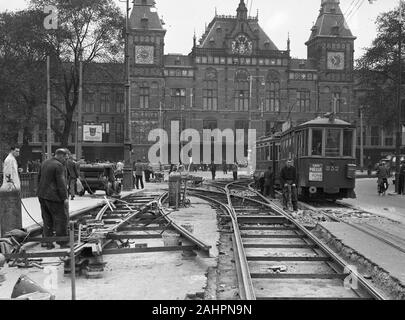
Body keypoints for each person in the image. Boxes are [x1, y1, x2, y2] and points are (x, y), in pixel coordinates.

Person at [37, 149, 69, 249]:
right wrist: (65, 198)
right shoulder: (58, 165)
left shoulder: (45, 163)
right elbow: (61, 183)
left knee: (47, 220)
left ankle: (47, 242)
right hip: (54, 197)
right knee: (60, 219)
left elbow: (39, 178)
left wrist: (39, 192)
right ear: (61, 156)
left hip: (42, 195)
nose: (66, 160)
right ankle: (62, 242)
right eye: (66, 157)